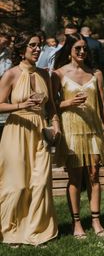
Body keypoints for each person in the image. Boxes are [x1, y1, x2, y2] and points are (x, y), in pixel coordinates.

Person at [0, 32, 60, 245]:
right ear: (22, 49)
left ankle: (37, 231)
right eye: (33, 46)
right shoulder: (11, 74)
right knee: (16, 184)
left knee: (41, 181)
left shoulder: (45, 74)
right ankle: (10, 230)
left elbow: (51, 105)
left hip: (40, 131)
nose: (37, 49)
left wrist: (56, 126)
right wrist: (20, 105)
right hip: (16, 130)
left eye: (39, 46)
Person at [52, 34, 104, 238]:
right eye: (77, 48)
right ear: (69, 50)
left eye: (84, 49)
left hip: (93, 129)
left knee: (95, 175)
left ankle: (96, 220)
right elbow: (52, 106)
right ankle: (77, 223)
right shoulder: (58, 74)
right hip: (71, 130)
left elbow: (103, 105)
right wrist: (68, 103)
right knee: (75, 178)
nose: (81, 52)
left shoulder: (95, 73)